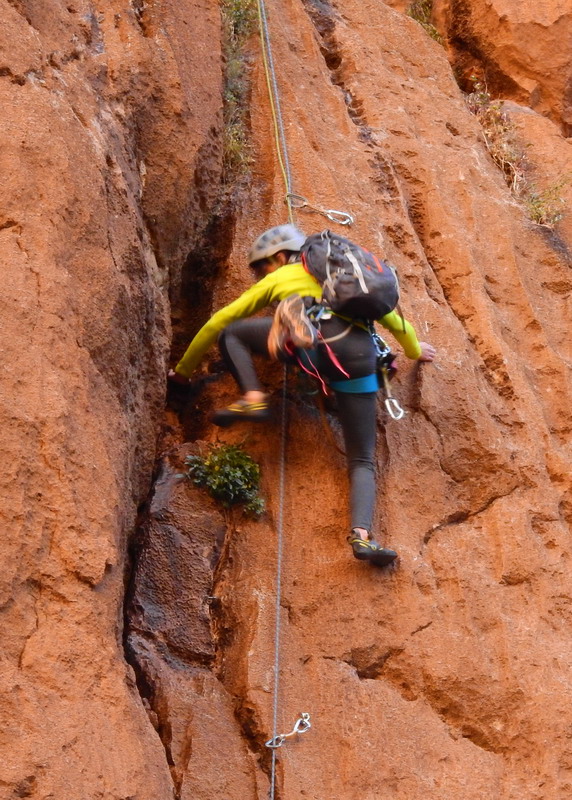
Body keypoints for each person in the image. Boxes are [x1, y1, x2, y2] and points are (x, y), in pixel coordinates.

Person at [169, 224, 436, 567]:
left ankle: (255, 393)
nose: (260, 276)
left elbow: (218, 322)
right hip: (356, 358)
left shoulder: (281, 277)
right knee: (362, 459)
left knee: (233, 334)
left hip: (311, 347)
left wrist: (183, 371)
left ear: (280, 257)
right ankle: (362, 537)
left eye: (261, 267)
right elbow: (397, 324)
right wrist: (414, 351)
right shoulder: (350, 279)